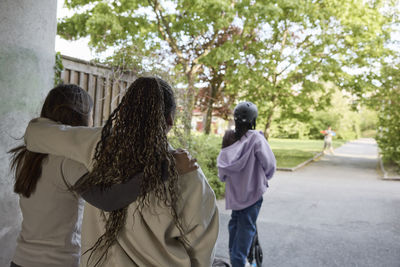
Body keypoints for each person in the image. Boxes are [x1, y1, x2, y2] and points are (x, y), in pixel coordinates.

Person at [24, 77, 219, 267]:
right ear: (170, 120)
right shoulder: (188, 172)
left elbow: (34, 134)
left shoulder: (96, 144)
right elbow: (202, 251)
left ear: (124, 112)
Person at [217, 101, 276, 267]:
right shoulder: (257, 139)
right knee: (244, 238)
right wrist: (262, 177)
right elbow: (270, 166)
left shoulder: (229, 138)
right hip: (253, 196)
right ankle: (241, 263)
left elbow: (222, 171)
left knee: (235, 233)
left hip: (236, 198)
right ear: (253, 120)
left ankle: (242, 262)